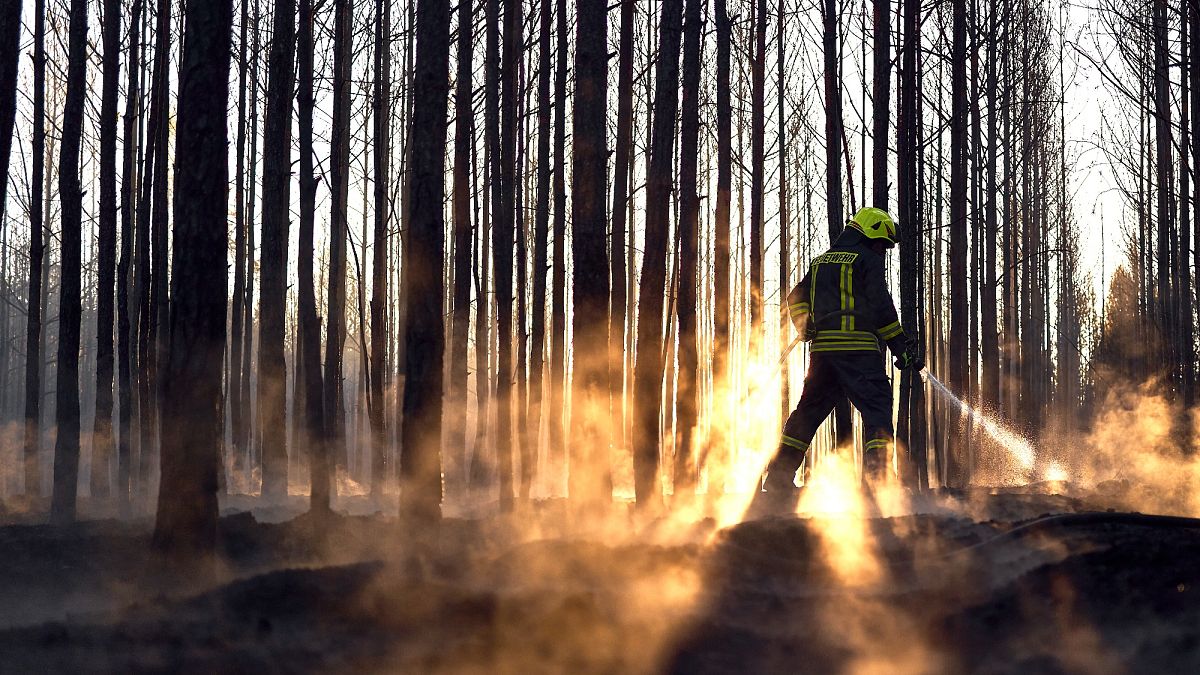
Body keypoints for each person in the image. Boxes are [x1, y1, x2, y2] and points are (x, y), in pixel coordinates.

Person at [764, 206, 923, 492]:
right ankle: (876, 483)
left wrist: (805, 326)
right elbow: (881, 306)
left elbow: (795, 297)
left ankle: (777, 477)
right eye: (881, 245)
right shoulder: (867, 261)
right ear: (870, 233)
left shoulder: (820, 262)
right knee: (877, 412)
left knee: (808, 413)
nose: (882, 252)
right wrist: (901, 347)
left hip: (823, 356)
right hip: (859, 353)